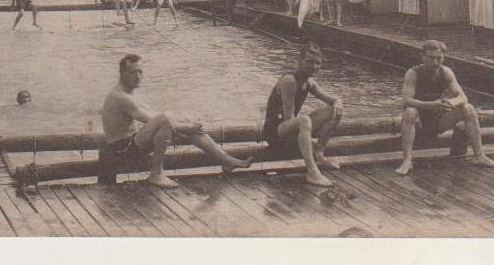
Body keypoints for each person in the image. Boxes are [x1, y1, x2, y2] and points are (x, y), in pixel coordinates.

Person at [102, 54, 252, 188]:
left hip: (132, 145)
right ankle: (156, 174)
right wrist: (187, 128)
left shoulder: (129, 93)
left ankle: (226, 160)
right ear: (122, 73)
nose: (138, 76)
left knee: (183, 119)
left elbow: (156, 116)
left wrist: (187, 122)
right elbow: (157, 119)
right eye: (132, 72)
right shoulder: (121, 97)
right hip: (121, 151)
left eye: (140, 72)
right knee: (168, 119)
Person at [395, 40, 494, 176]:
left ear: (444, 58)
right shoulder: (413, 73)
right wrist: (432, 105)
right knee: (410, 111)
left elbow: (463, 97)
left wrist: (451, 102)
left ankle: (479, 156)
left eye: (439, 58)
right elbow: (407, 100)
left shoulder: (446, 72)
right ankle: (407, 161)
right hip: (418, 122)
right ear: (422, 57)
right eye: (431, 58)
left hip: (438, 121)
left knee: (468, 108)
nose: (435, 62)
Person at [262, 43, 343, 187]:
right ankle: (312, 172)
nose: (314, 67)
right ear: (300, 61)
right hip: (275, 132)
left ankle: (319, 152)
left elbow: (333, 100)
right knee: (304, 120)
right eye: (310, 62)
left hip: (289, 128)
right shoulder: (290, 80)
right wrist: (306, 139)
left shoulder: (309, 82)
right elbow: (289, 119)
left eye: (318, 63)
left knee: (335, 110)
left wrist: (338, 102)